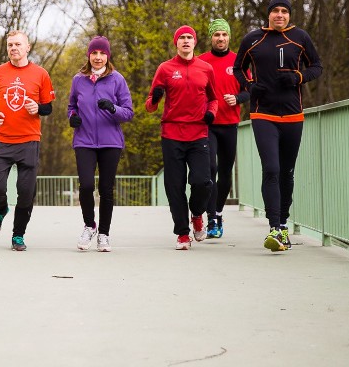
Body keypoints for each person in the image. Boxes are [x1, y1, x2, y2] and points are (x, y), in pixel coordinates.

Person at [233, 0, 323, 252]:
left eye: (284, 11)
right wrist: (249, 86)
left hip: (293, 116)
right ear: (268, 15)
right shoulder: (253, 39)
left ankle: (283, 224)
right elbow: (238, 68)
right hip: (263, 114)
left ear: (289, 15)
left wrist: (298, 77)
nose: (280, 15)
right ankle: (273, 227)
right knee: (271, 168)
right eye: (275, 11)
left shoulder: (300, 37)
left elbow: (317, 66)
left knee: (287, 172)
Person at [145, 25, 218, 250]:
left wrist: (211, 113)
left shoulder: (206, 68)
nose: (186, 41)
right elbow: (149, 106)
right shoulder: (165, 68)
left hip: (198, 133)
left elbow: (214, 99)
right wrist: (156, 98)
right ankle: (182, 234)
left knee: (202, 182)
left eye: (189, 38)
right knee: (174, 186)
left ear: (195, 42)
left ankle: (197, 213)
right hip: (172, 134)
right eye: (182, 38)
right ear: (176, 43)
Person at [0, 30, 56, 251]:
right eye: (10, 45)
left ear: (28, 47)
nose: (13, 48)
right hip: (1, 140)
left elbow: (48, 107)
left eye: (17, 44)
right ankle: (1, 209)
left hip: (28, 141)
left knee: (26, 192)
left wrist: (38, 108)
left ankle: (18, 235)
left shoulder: (41, 74)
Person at [67, 35, 134, 252]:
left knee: (106, 189)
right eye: (94, 53)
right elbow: (71, 106)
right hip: (84, 139)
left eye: (102, 53)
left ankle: (104, 234)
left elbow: (128, 113)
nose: (98, 57)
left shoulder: (117, 79)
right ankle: (89, 225)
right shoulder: (79, 79)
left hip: (110, 142)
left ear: (108, 55)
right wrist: (72, 117)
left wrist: (113, 108)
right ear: (89, 55)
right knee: (86, 186)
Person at [197, 19, 250, 239]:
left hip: (230, 124)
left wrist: (237, 99)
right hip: (207, 125)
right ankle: (211, 218)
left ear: (229, 37)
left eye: (224, 35)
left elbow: (251, 91)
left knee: (226, 172)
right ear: (211, 37)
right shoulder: (201, 62)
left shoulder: (238, 62)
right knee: (210, 169)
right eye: (217, 35)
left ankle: (218, 213)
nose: (220, 38)